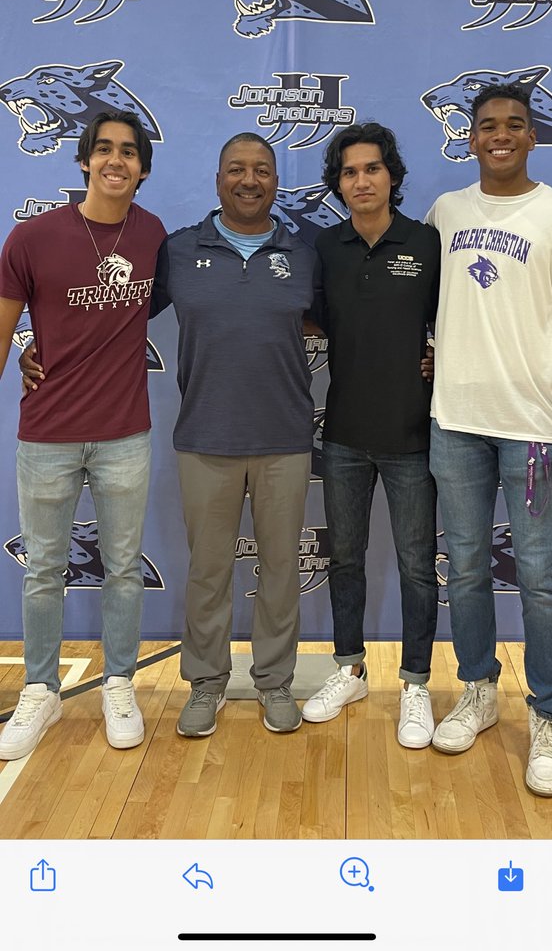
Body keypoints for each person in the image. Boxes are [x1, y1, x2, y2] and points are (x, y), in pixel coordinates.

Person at [0, 112, 166, 760]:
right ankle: (41, 690)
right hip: (48, 435)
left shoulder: (153, 235)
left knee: (123, 568)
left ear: (143, 168)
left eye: (128, 152)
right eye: (104, 150)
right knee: (44, 570)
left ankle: (118, 682)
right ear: (83, 161)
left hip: (125, 434)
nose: (115, 160)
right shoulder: (31, 238)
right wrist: (27, 352)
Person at [150, 132, 318, 737]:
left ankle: (274, 681)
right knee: (208, 570)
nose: (250, 180)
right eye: (237, 169)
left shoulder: (305, 254)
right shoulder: (177, 251)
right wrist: (45, 349)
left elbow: (354, 323)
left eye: (262, 170)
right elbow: (113, 317)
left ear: (275, 180)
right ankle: (206, 682)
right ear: (218, 178)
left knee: (280, 568)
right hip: (205, 436)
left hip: (284, 438)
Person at [427, 83, 552, 796]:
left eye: (514, 124)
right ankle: (477, 688)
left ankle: (549, 713)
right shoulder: (446, 211)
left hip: (534, 426)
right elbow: (421, 300)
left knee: (539, 578)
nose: (500, 135)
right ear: (471, 138)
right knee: (468, 568)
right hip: (457, 420)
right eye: (487, 126)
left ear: (532, 135)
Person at [302, 123, 440, 748]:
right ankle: (350, 670)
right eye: (349, 172)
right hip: (344, 436)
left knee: (416, 566)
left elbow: (458, 320)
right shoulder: (325, 249)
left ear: (392, 176)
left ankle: (416, 683)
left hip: (412, 436)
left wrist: (441, 356)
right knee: (346, 559)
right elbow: (310, 322)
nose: (362, 181)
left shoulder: (427, 243)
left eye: (372, 169)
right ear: (338, 184)